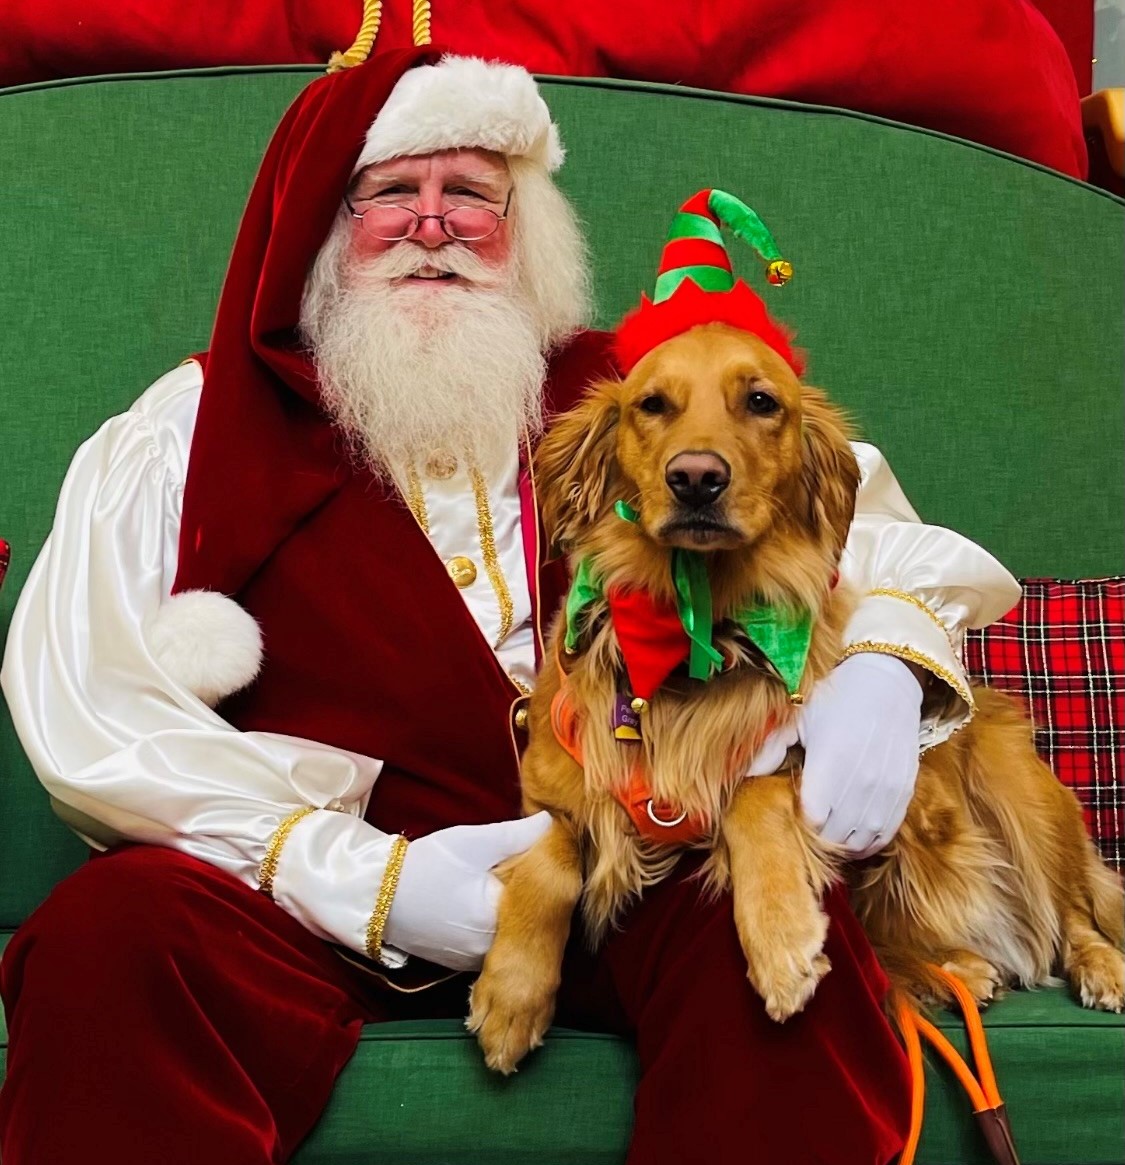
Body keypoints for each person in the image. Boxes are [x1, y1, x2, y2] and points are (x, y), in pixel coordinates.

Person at [0, 49, 1021, 1164]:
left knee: (772, 935)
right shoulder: (189, 429)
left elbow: (861, 518)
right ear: (324, 233)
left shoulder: (627, 393)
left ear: (520, 226)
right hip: (311, 903)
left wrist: (882, 661)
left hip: (622, 854)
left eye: (472, 196)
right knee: (107, 936)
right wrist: (368, 879)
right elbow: (87, 699)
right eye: (392, 191)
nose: (432, 224)